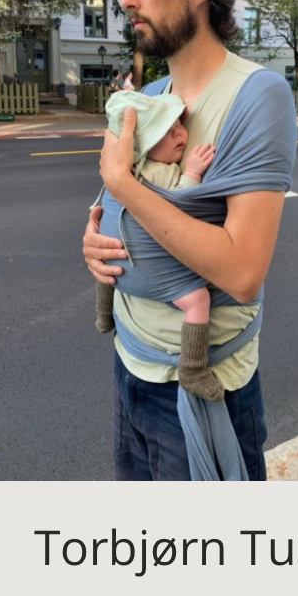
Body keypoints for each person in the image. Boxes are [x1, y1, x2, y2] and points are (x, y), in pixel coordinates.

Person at [82, 0, 297, 482]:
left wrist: (123, 183)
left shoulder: (258, 97)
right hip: (131, 365)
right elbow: (115, 205)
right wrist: (95, 241)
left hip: (201, 392)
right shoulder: (148, 102)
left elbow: (241, 272)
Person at [92, 88, 219, 398]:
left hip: (117, 264)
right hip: (148, 272)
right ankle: (192, 367)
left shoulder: (123, 173)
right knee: (198, 300)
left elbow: (100, 208)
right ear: (145, 146)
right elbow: (177, 207)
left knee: (106, 267)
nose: (181, 135)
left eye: (180, 126)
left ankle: (104, 314)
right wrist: (192, 172)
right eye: (169, 132)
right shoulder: (160, 173)